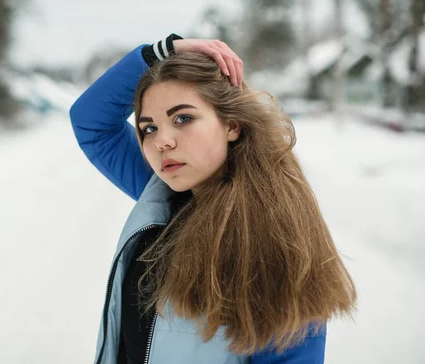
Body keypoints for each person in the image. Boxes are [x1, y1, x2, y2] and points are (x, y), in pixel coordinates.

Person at [70, 34, 357, 364]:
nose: (162, 141)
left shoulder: (275, 234)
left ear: (231, 124)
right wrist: (159, 53)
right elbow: (90, 121)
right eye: (149, 128)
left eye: (183, 119)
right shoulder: (163, 194)